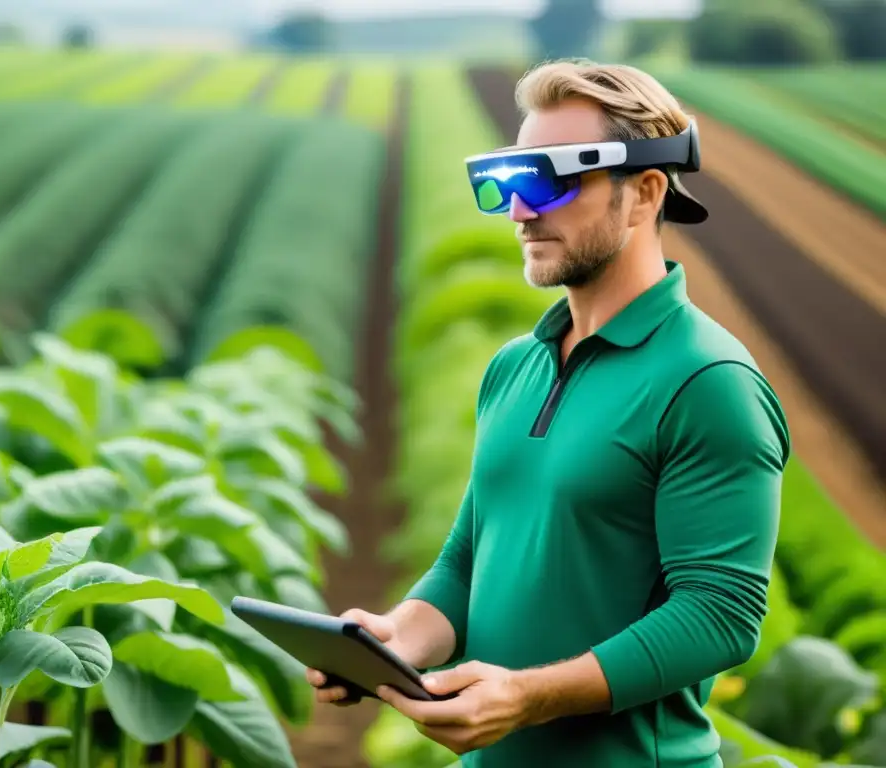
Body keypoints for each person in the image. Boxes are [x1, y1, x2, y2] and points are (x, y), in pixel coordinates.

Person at [306, 59, 790, 767]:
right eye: (507, 181)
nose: (520, 210)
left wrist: (529, 695)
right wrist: (396, 639)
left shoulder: (708, 382)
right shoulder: (515, 368)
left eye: (553, 180)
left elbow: (719, 615)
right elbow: (470, 561)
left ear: (645, 192)